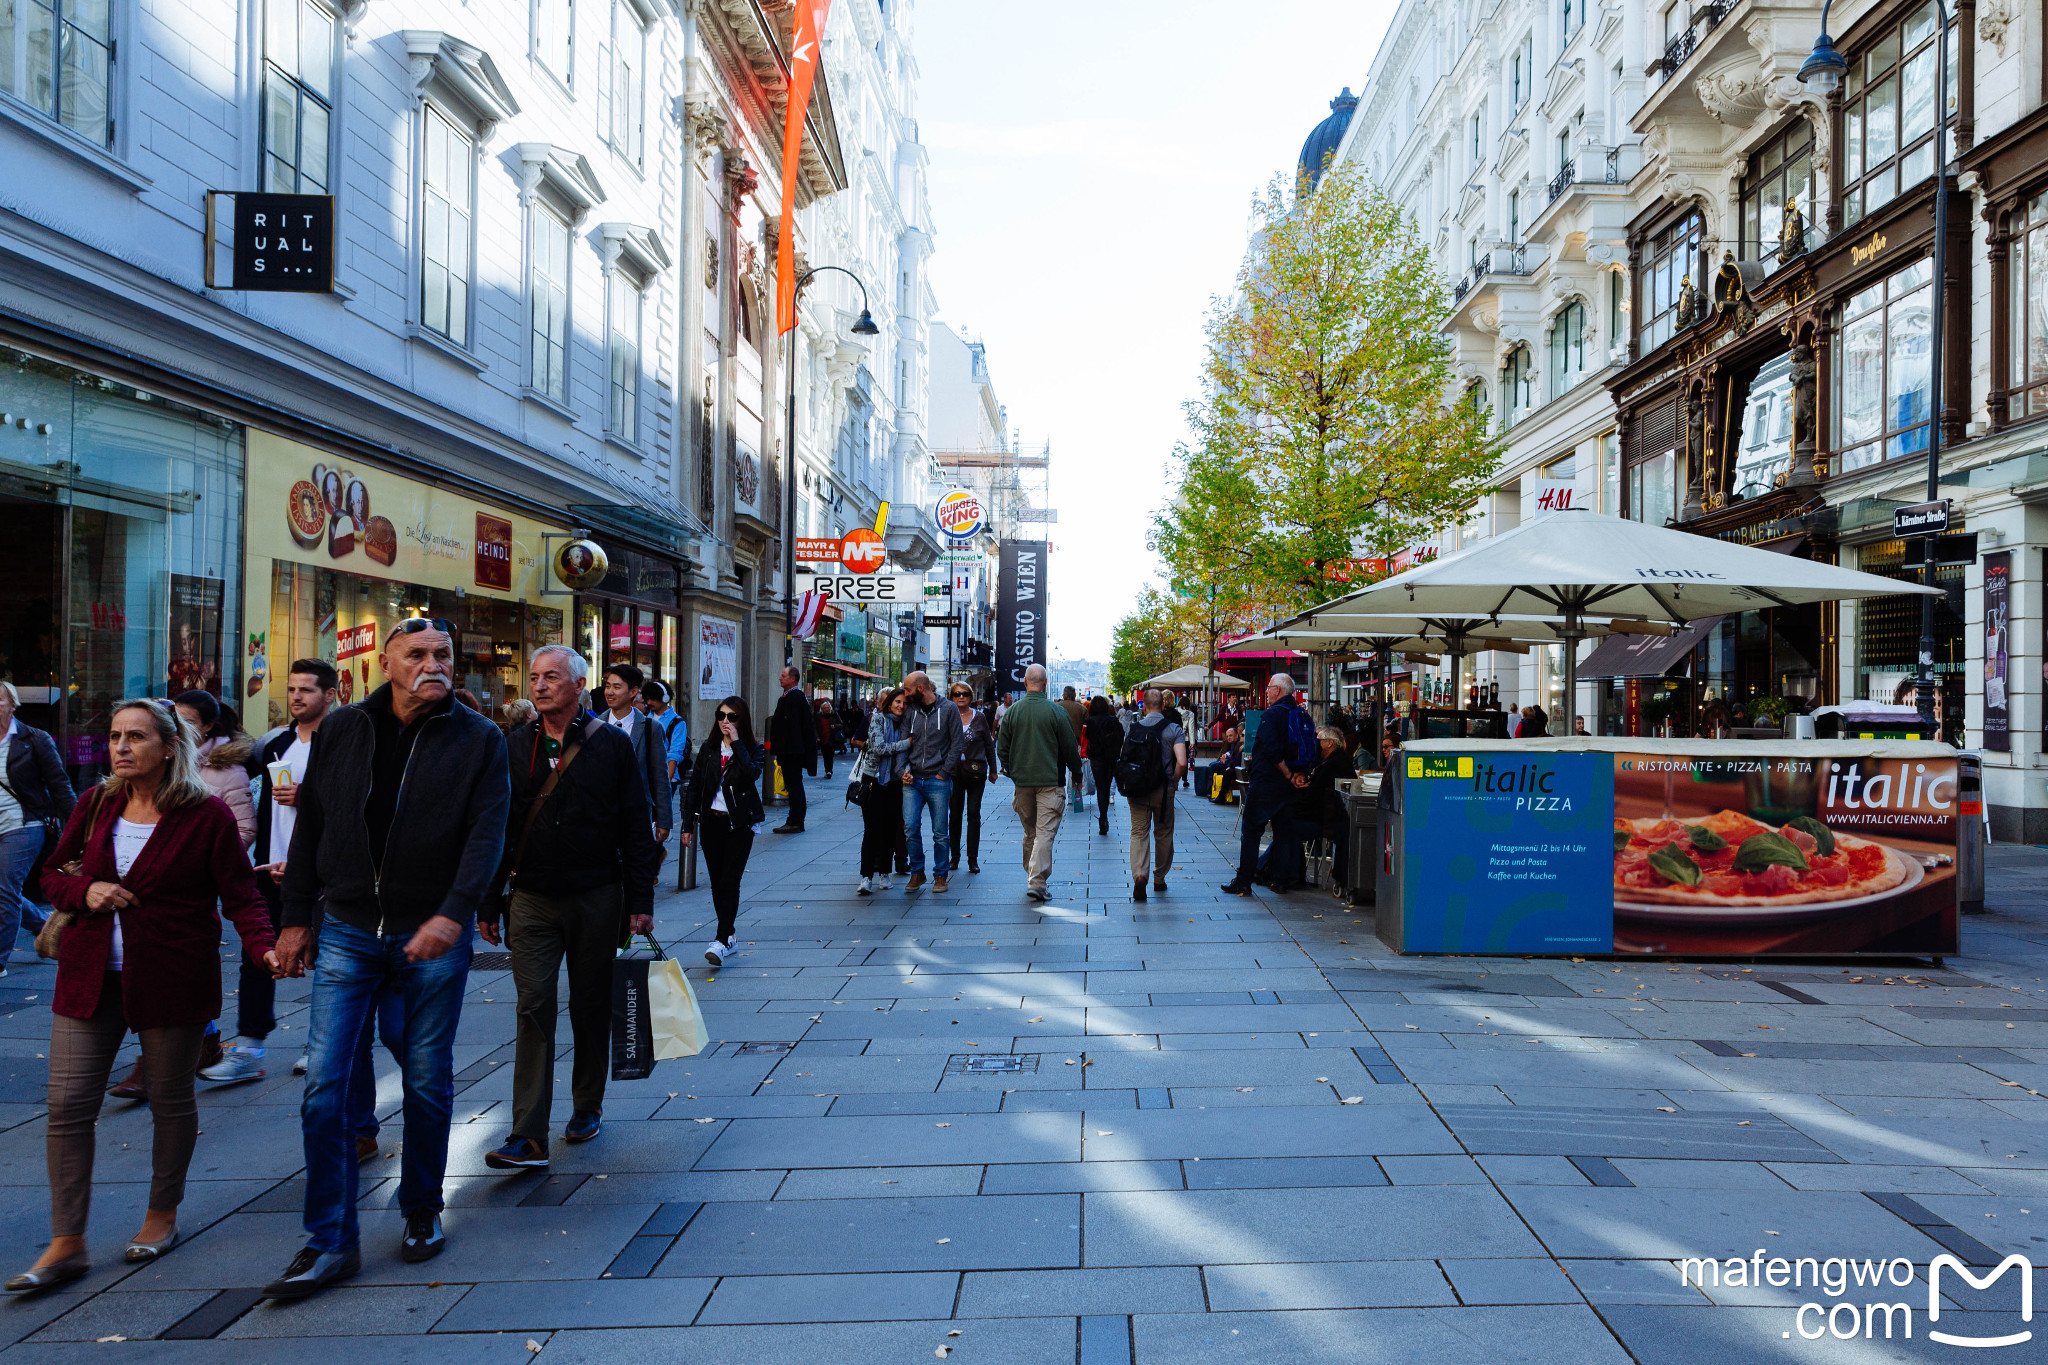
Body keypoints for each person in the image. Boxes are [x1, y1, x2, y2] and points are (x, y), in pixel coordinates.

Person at [263, 618, 510, 1299]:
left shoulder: (479, 738)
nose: (434, 665)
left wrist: (452, 913)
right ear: (388, 663)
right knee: (325, 1091)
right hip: (345, 926)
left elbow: (488, 836)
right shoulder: (345, 728)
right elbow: (311, 826)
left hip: (432, 931)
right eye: (418, 654)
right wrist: (293, 923)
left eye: (443, 655)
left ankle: (423, 1206)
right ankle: (329, 1240)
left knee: (427, 1079)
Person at [9, 699, 272, 1293]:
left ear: (169, 746)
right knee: (68, 1105)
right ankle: (66, 1241)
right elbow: (53, 875)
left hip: (173, 977)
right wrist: (89, 891)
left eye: (136, 738)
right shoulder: (97, 803)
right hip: (88, 976)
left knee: (171, 1100)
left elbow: (241, 896)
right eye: (114, 737)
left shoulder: (204, 815)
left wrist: (265, 951)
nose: (121, 748)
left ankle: (161, 1214)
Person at [480, 646, 659, 1171]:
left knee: (589, 1004)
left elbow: (635, 823)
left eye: (551, 677)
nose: (539, 686)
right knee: (533, 1005)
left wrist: (640, 901)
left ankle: (586, 1105)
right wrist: (489, 901)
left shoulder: (610, 746)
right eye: (534, 678)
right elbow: (498, 827)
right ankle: (527, 1134)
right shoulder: (514, 745)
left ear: (579, 686)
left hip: (597, 895)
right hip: (532, 899)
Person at [202, 660, 339, 1085]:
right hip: (271, 864)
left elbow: (358, 805)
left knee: (329, 961)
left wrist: (308, 797)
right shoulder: (274, 744)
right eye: (292, 689)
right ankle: (249, 1048)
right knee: (256, 955)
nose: (296, 697)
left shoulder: (341, 741)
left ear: (330, 695)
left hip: (322, 870)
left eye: (307, 690)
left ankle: (319, 1045)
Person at [682, 696, 765, 964]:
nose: (725, 722)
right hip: (711, 823)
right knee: (718, 883)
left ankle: (720, 939)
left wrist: (737, 742)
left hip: (739, 824)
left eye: (731, 717)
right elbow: (694, 787)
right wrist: (687, 825)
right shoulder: (708, 748)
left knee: (730, 881)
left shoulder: (753, 748)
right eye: (721, 716)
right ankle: (728, 936)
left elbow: (752, 773)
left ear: (742, 720)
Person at [0, 681, 75, 972]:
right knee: (4, 890)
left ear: (13, 705)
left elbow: (60, 786)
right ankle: (42, 924)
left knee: (6, 889)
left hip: (24, 823)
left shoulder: (35, 739)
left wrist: (84, 828)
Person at [996, 664, 1082, 902]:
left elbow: (1002, 748)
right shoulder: (1056, 712)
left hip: (1023, 782)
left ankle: (1032, 876)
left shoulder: (1013, 712)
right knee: (1044, 832)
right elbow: (1069, 748)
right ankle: (1037, 881)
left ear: (1025, 683)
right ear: (1045, 683)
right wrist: (1077, 774)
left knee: (1030, 831)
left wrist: (1014, 771)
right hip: (1050, 781)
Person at [1222, 674, 1313, 897]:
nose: (1267, 691)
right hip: (1290, 788)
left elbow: (1271, 750)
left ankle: (1244, 882)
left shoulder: (1272, 715)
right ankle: (1280, 880)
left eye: (1270, 687)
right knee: (1283, 834)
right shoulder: (1301, 714)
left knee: (1251, 832)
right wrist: (1298, 775)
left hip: (1267, 783)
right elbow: (1308, 749)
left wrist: (1289, 774)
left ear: (1279, 691)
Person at [897, 672, 962, 893]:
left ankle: (940, 876)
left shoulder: (949, 709)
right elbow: (903, 743)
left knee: (940, 832)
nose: (905, 694)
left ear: (921, 688)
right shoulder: (910, 711)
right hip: (913, 779)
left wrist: (944, 773)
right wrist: (903, 770)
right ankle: (917, 872)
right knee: (910, 827)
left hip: (938, 779)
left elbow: (957, 744)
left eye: (907, 689)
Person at [1121, 689, 1188, 901]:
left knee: (1139, 832)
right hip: (1163, 789)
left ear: (1145, 706)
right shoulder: (1174, 729)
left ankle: (1140, 875)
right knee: (1164, 832)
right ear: (1162, 705)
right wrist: (1175, 780)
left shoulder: (1133, 728)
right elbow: (1182, 762)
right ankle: (1159, 877)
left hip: (1138, 789)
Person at [599, 664, 672, 850]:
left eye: (616, 687)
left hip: (637, 814)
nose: (609, 692)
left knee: (634, 870)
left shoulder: (650, 728)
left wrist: (664, 820)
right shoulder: (595, 725)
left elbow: (660, 776)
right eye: (607, 686)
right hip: (600, 815)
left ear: (633, 692)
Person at [173, 691, 256, 852]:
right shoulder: (163, 760)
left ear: (208, 726)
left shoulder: (230, 771)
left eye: (188, 723)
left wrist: (207, 860)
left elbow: (245, 830)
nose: (180, 729)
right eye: (175, 722)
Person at [855, 688, 908, 894]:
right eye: (897, 701)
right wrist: (905, 743)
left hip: (895, 782)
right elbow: (878, 748)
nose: (901, 706)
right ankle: (866, 877)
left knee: (890, 829)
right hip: (873, 780)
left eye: (904, 703)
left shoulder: (905, 723)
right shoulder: (877, 719)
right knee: (871, 831)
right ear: (889, 702)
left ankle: (885, 873)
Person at [947, 682, 996, 875]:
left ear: (971, 696)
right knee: (955, 814)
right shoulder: (947, 716)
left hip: (976, 772)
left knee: (974, 813)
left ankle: (972, 859)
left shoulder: (980, 717)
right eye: (957, 694)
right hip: (953, 773)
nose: (961, 697)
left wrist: (993, 769)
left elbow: (989, 745)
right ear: (951, 696)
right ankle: (954, 857)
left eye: (965, 694)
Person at [767, 666, 816, 834]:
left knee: (794, 785)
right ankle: (795, 820)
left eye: (783, 676)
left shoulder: (794, 698)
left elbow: (792, 728)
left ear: (793, 679)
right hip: (791, 751)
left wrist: (789, 751)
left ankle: (795, 821)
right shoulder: (792, 697)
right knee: (794, 785)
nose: (780, 678)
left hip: (792, 752)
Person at [1307, 726, 1353, 892]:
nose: (1316, 743)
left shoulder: (1333, 764)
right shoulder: (1334, 761)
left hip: (1328, 821)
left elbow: (1314, 793)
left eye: (1319, 740)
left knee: (1285, 825)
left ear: (1329, 743)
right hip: (1328, 817)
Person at [1082, 697, 1124, 836]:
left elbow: (1087, 737)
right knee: (1107, 785)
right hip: (1111, 757)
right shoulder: (1113, 720)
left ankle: (1103, 817)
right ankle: (1104, 815)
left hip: (1096, 758)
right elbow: (1121, 735)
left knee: (1101, 788)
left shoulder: (1091, 721)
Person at [1200, 727, 1242, 803]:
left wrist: (1229, 766)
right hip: (1231, 765)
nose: (1228, 738)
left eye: (1231, 736)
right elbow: (1232, 756)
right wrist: (1226, 756)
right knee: (1215, 767)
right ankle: (1212, 791)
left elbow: (1236, 761)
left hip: (1236, 768)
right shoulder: (1233, 744)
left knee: (1224, 771)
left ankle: (1221, 796)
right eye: (1227, 736)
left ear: (1237, 735)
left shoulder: (1239, 745)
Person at [815, 698, 843, 780]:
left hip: (831, 738)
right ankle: (827, 770)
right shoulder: (818, 716)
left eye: (828, 708)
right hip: (823, 738)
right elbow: (815, 727)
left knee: (830, 755)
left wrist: (835, 726)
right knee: (825, 755)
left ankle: (829, 771)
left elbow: (841, 724)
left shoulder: (834, 714)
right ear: (822, 709)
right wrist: (817, 737)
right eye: (825, 708)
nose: (827, 709)